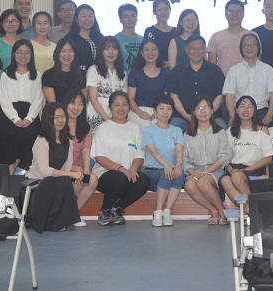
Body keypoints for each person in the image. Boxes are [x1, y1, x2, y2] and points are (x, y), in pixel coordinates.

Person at [91, 91, 151, 226]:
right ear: (110, 107)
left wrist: (133, 169)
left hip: (127, 174)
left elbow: (139, 155)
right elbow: (99, 157)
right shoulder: (103, 128)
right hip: (104, 174)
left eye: (124, 104)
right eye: (117, 105)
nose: (121, 108)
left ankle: (117, 209)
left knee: (143, 181)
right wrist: (121, 169)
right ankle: (105, 211)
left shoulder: (135, 128)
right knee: (120, 178)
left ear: (129, 107)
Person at [26, 103, 84, 232]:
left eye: (63, 116)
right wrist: (70, 174)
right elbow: (45, 171)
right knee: (65, 180)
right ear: (48, 119)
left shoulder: (68, 141)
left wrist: (74, 172)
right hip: (37, 185)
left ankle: (64, 219)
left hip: (54, 183)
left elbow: (66, 168)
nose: (60, 120)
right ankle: (53, 222)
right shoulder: (42, 140)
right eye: (56, 117)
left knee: (69, 181)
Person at [182, 96, 232, 225]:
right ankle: (213, 211)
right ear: (194, 112)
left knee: (203, 182)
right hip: (196, 169)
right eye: (199, 108)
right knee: (189, 184)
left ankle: (222, 212)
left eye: (206, 107)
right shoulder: (187, 134)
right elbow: (184, 158)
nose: (203, 111)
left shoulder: (220, 132)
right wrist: (192, 171)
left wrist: (206, 171)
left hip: (215, 169)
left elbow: (224, 156)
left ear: (212, 111)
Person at [0, 39, 43, 174]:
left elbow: (38, 99)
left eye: (27, 53)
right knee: (14, 135)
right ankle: (9, 175)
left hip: (30, 114)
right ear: (14, 54)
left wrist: (29, 118)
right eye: (19, 52)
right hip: (9, 114)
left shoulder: (37, 75)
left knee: (33, 135)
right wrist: (15, 118)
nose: (23, 56)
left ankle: (30, 176)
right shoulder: (5, 75)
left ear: (31, 55)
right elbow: (4, 99)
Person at [141, 94, 185, 227]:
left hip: (170, 170)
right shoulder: (148, 130)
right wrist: (166, 166)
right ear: (155, 111)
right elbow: (153, 152)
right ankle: (158, 211)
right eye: (161, 108)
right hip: (152, 172)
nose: (165, 112)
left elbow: (179, 150)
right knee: (167, 174)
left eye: (169, 109)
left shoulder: (177, 130)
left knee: (180, 174)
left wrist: (178, 165)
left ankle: (167, 211)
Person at [221, 96, 273, 204]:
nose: (246, 110)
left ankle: (254, 207)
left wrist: (246, 170)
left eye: (250, 106)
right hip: (234, 168)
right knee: (225, 180)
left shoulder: (262, 130)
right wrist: (230, 170)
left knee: (237, 177)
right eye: (242, 106)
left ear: (254, 110)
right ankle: (250, 210)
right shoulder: (230, 131)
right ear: (237, 110)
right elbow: (223, 156)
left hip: (255, 168)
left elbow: (268, 158)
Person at [168, 35, 226, 130]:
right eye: (193, 48)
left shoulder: (215, 70)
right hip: (183, 117)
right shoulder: (177, 70)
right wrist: (187, 116)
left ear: (205, 50)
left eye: (200, 48)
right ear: (186, 50)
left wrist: (207, 114)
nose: (197, 51)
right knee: (172, 129)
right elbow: (174, 96)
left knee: (222, 128)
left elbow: (219, 97)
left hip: (212, 116)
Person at [223, 33, 273, 126]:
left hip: (262, 113)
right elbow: (229, 96)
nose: (249, 48)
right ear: (241, 48)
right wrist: (233, 117)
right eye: (245, 45)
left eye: (253, 44)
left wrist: (269, 115)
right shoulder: (234, 70)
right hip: (240, 114)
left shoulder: (268, 69)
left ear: (258, 47)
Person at [62, 90, 98, 213]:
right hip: (61, 169)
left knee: (92, 179)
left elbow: (86, 150)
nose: (76, 107)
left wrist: (86, 171)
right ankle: (65, 215)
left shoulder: (86, 127)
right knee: (76, 184)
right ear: (65, 104)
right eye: (72, 103)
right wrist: (72, 168)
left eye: (80, 104)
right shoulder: (58, 125)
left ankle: (73, 214)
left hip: (78, 169)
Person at [86, 36, 128, 131]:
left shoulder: (123, 73)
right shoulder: (94, 70)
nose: (111, 52)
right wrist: (108, 120)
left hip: (117, 116)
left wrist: (117, 119)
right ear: (101, 51)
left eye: (114, 48)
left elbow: (124, 99)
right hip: (96, 115)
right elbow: (93, 99)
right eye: (107, 49)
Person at [128, 39, 171, 128]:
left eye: (153, 49)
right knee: (147, 128)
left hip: (158, 111)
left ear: (158, 51)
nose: (150, 52)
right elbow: (130, 98)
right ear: (142, 53)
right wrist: (140, 112)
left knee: (158, 128)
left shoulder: (166, 73)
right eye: (146, 50)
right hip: (137, 110)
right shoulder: (135, 72)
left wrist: (158, 111)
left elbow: (165, 98)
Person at [208, 0, 252, 75]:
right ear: (225, 15)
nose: (234, 14)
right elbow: (212, 66)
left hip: (247, 80)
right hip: (222, 80)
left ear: (243, 15)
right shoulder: (216, 36)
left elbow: (257, 63)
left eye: (238, 11)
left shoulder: (252, 36)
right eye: (231, 11)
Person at [41, 38, 87, 104]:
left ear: (75, 54)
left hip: (76, 109)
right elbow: (52, 103)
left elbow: (83, 101)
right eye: (63, 51)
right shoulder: (48, 75)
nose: (67, 54)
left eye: (70, 51)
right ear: (57, 53)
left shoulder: (82, 74)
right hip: (55, 110)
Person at [66, 4, 104, 71]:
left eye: (90, 16)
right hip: (77, 75)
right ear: (76, 19)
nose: (87, 19)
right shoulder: (70, 39)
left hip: (98, 76)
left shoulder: (100, 38)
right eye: (83, 16)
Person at [143, 0, 176, 67]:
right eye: (159, 10)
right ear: (154, 12)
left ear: (170, 10)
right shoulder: (150, 31)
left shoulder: (176, 31)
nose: (163, 12)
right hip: (156, 69)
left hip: (175, 69)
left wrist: (170, 63)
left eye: (165, 9)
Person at [115, 3, 142, 74]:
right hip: (121, 78)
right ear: (120, 19)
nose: (130, 19)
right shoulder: (115, 39)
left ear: (137, 18)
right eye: (126, 16)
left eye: (133, 16)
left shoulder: (142, 40)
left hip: (140, 78)